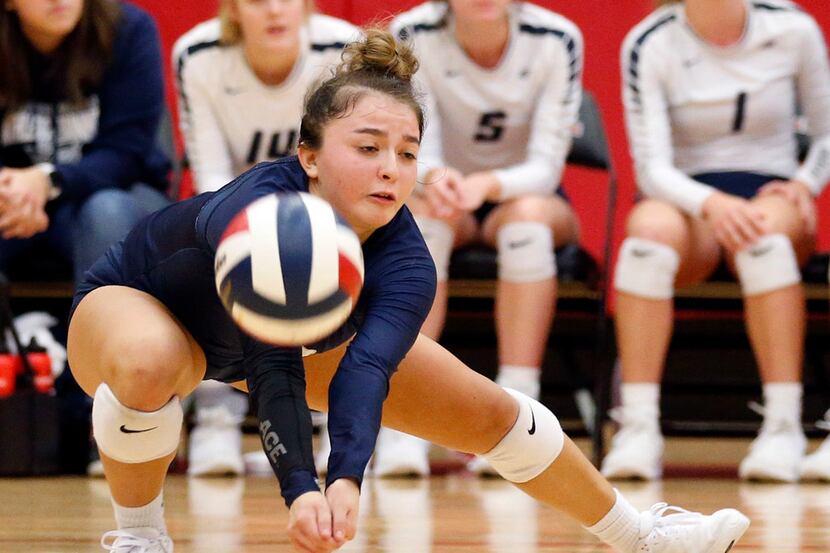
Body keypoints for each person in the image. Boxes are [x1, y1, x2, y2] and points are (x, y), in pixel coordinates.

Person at [68, 29, 750, 553]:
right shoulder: (260, 213)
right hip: (140, 304)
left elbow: (364, 374)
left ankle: (640, 535)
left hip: (283, 342)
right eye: (366, 146)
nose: (391, 169)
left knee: (486, 411)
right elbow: (268, 361)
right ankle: (141, 533)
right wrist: (300, 487)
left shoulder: (407, 263)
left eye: (406, 151)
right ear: (308, 155)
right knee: (149, 360)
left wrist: (344, 481)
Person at [603, 0, 830, 482]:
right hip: (689, 199)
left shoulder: (792, 28)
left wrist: (805, 183)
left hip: (772, 189)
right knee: (648, 233)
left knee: (762, 235)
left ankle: (783, 427)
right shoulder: (650, 40)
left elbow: (826, 131)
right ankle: (638, 427)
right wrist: (711, 204)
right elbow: (651, 167)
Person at [380, 0, 583, 477]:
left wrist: (488, 185)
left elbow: (547, 164)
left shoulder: (557, 38)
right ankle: (401, 422)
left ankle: (520, 420)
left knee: (527, 226)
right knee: (420, 219)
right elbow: (408, 141)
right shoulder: (412, 31)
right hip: (442, 192)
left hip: (523, 194)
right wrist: (438, 176)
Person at [173, 0, 357, 477]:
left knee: (341, 253)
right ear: (233, 9)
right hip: (234, 209)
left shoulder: (342, 49)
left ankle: (337, 424)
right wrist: (257, 223)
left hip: (326, 207)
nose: (275, 10)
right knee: (207, 249)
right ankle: (215, 419)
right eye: (257, 0)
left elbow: (347, 163)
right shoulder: (196, 55)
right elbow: (210, 176)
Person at [0, 0, 171, 285]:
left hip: (119, 192)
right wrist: (10, 193)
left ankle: (105, 329)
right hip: (14, 203)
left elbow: (126, 154)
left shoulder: (127, 30)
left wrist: (46, 181)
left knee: (107, 211)